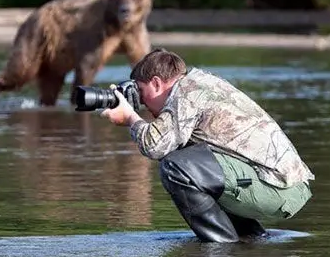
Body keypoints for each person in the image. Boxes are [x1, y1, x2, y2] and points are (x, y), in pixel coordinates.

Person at [100, 48, 315, 243]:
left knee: (176, 167)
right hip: (283, 185)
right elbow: (166, 143)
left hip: (279, 187)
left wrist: (130, 117)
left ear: (156, 83)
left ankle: (222, 246)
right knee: (189, 160)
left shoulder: (186, 93)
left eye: (140, 92)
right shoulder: (199, 83)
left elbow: (154, 146)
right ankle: (249, 237)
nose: (142, 101)